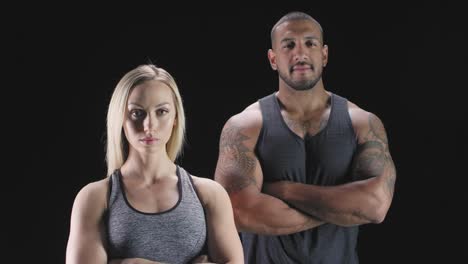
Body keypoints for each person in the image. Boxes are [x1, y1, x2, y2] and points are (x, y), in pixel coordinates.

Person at [214, 11, 396, 264]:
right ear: (273, 58)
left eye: (310, 43)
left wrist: (284, 190)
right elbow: (238, 212)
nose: (300, 53)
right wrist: (344, 209)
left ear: (324, 54)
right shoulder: (244, 127)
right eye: (289, 45)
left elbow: (375, 205)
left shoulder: (362, 123)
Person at [66, 64, 243, 264]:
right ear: (121, 118)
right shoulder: (95, 198)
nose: (149, 125)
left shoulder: (209, 194)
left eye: (161, 112)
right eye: (137, 113)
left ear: (175, 117)